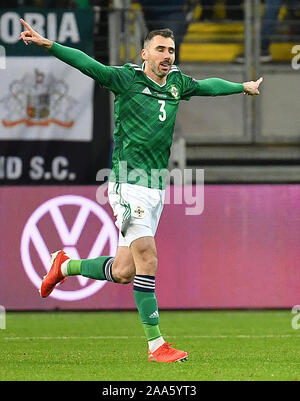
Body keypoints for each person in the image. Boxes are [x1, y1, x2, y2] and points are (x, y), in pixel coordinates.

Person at [19, 18, 263, 363]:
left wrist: (242, 86)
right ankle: (156, 345)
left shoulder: (177, 84)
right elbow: (87, 63)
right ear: (144, 53)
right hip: (126, 183)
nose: (167, 56)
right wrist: (49, 45)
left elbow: (207, 86)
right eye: (161, 49)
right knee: (148, 256)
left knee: (124, 270)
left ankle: (65, 266)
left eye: (172, 50)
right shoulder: (125, 79)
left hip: (155, 189)